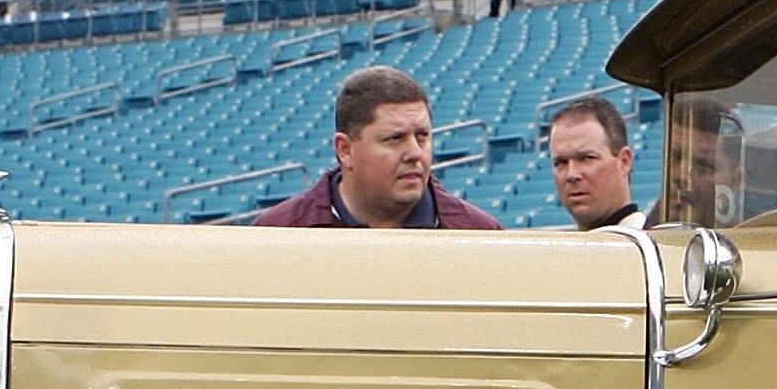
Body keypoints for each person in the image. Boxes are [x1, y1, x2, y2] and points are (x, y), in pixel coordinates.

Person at [250, 64, 501, 229]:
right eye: (394, 139)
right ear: (345, 150)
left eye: (422, 136)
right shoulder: (278, 233)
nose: (415, 153)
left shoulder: (480, 235)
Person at [549, 96, 644, 230]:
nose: (571, 175)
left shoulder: (656, 247)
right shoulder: (561, 250)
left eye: (587, 158)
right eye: (561, 162)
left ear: (624, 162)